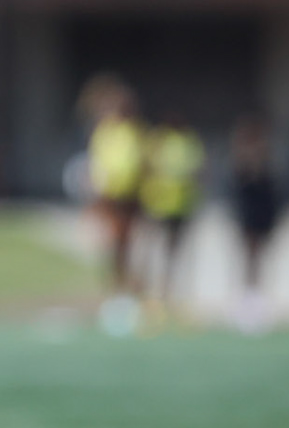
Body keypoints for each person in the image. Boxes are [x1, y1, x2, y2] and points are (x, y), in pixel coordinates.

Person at [80, 76, 147, 334]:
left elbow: (138, 162)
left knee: (127, 246)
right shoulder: (103, 132)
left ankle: (127, 295)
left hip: (129, 196)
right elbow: (97, 164)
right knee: (111, 247)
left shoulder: (133, 132)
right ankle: (113, 295)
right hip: (108, 196)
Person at [138, 112, 205, 307]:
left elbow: (199, 169)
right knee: (150, 248)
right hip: (158, 202)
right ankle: (145, 291)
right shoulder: (158, 140)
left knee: (175, 251)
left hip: (182, 204)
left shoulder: (190, 141)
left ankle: (169, 291)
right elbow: (147, 167)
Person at [229, 114, 281, 334]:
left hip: (261, 212)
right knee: (247, 254)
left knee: (259, 255)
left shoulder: (265, 160)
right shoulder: (240, 160)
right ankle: (245, 298)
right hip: (247, 212)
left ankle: (257, 299)